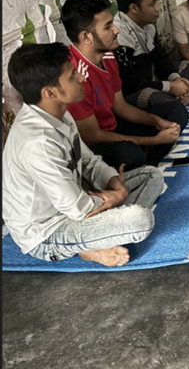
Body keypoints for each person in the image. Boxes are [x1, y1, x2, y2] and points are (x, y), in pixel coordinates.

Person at [3, 43, 164, 267]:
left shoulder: (59, 112)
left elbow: (87, 160)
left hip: (77, 201)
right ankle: (89, 245)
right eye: (71, 75)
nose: (81, 77)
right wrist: (116, 198)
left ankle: (99, 236)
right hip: (49, 231)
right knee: (141, 220)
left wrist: (113, 181)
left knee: (151, 176)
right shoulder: (37, 141)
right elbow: (76, 208)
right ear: (50, 92)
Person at [61, 0, 186, 171]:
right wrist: (153, 140)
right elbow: (92, 136)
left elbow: (120, 106)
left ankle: (147, 165)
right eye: (108, 26)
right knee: (129, 154)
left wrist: (155, 121)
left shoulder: (108, 55)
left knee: (175, 113)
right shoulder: (74, 75)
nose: (116, 30)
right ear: (86, 37)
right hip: (92, 144)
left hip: (114, 127)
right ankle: (141, 164)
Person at [114, 0, 189, 108]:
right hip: (135, 91)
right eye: (152, 4)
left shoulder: (148, 26)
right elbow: (128, 83)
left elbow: (160, 58)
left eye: (156, 2)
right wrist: (169, 87)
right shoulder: (119, 34)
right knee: (154, 98)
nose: (157, 8)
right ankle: (182, 101)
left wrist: (175, 79)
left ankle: (182, 98)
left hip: (154, 81)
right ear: (134, 8)